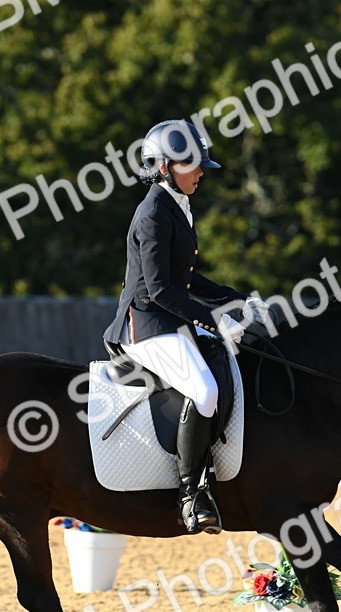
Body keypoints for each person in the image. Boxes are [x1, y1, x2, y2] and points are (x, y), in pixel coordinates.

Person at [104, 120, 269, 534]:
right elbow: (160, 289)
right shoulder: (153, 213)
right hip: (147, 323)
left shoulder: (178, 204)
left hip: (170, 317)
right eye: (191, 165)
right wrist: (213, 318)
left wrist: (236, 300)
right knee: (205, 389)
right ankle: (190, 493)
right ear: (163, 167)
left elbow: (187, 279)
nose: (200, 172)